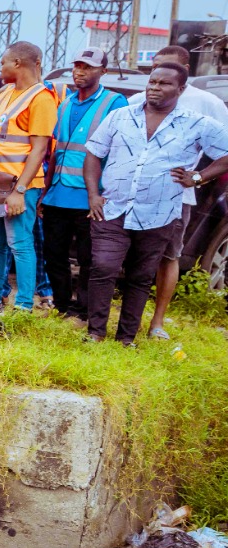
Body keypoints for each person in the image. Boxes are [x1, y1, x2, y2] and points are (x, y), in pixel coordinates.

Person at [84, 61, 228, 344]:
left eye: (164, 83)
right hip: (113, 207)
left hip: (160, 213)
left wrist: (198, 177)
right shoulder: (121, 116)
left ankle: (126, 337)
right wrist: (92, 195)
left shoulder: (196, 123)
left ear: (181, 88)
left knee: (141, 276)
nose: (155, 88)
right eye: (152, 82)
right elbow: (93, 153)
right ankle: (95, 332)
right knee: (103, 267)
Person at [145, 44, 228, 339]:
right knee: (129, 256)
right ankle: (128, 317)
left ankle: (157, 323)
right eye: (154, 68)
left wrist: (197, 177)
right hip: (135, 195)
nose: (158, 76)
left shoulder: (206, 102)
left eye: (167, 68)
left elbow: (223, 150)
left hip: (176, 197)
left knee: (169, 256)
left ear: (184, 71)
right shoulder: (138, 99)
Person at [0, 41, 56, 313]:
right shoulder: (4, 92)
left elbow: (39, 148)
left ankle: (23, 307)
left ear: (18, 63)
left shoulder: (41, 98)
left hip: (18, 187)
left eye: (3, 63)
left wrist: (19, 190)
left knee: (20, 245)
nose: (0, 68)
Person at [43, 48, 125, 319]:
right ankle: (62, 306)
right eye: (77, 65)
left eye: (88, 67)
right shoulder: (65, 102)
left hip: (91, 197)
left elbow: (119, 152)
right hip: (58, 194)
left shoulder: (114, 103)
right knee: (54, 254)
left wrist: (102, 193)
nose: (80, 71)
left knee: (89, 259)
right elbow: (57, 149)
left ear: (103, 72)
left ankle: (83, 311)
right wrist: (45, 188)